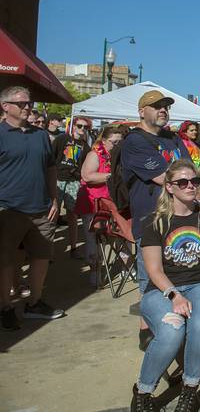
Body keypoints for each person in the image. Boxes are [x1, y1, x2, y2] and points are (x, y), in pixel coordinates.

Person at [131, 159, 200, 412]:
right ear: (169, 187)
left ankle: (190, 389)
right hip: (163, 289)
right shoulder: (156, 221)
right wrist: (174, 295)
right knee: (172, 330)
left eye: (195, 181)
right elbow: (154, 270)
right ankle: (143, 391)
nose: (190, 186)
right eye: (182, 182)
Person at [120, 90, 189, 350]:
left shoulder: (173, 138)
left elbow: (190, 172)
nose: (163, 110)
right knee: (150, 277)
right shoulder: (135, 141)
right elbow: (167, 178)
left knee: (180, 272)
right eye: (156, 106)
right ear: (141, 112)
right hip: (151, 221)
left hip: (182, 220)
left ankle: (175, 323)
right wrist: (186, 179)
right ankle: (146, 330)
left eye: (166, 107)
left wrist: (187, 179)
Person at [0, 86, 65, 331]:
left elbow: (50, 168)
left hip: (42, 209)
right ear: (6, 107)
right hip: (9, 209)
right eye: (22, 103)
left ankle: (34, 303)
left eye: (30, 103)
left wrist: (54, 199)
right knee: (5, 260)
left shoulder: (40, 135)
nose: (28, 107)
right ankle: (5, 306)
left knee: (41, 257)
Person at [75, 125, 124, 283]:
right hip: (93, 202)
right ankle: (95, 272)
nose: (116, 145)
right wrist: (112, 176)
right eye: (113, 142)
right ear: (103, 141)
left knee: (119, 236)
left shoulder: (119, 156)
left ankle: (125, 267)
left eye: (119, 142)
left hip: (113, 202)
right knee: (93, 238)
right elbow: (87, 176)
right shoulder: (94, 154)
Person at [51, 116, 92, 258]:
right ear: (74, 126)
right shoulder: (62, 139)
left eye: (86, 127)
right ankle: (48, 251)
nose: (82, 129)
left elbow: (85, 167)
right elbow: (51, 158)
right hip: (57, 180)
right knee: (53, 215)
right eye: (80, 126)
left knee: (72, 215)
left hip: (74, 182)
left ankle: (73, 248)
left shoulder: (86, 147)